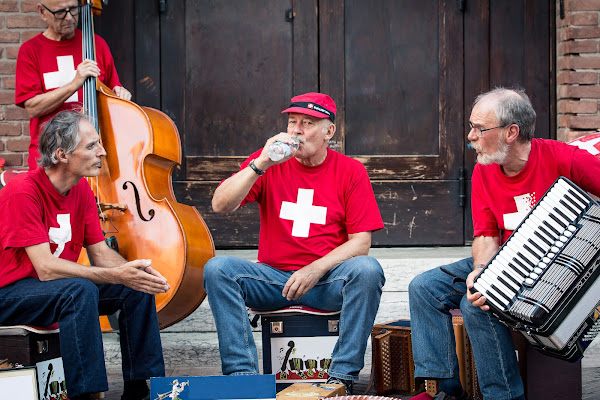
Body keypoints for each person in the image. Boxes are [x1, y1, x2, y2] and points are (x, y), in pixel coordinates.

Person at [408, 87, 600, 400]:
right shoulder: (484, 171)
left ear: (511, 132)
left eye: (479, 128)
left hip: (553, 272)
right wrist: (481, 270)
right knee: (424, 287)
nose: (470, 136)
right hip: (505, 262)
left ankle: (505, 396)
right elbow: (486, 234)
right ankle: (443, 388)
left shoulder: (563, 158)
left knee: (476, 307)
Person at [203, 92, 386, 392]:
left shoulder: (351, 171)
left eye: (308, 123)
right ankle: (243, 380)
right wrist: (260, 162)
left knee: (367, 270)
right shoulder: (267, 163)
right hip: (275, 281)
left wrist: (314, 270)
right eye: (292, 122)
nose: (297, 130)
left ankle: (341, 378)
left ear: (329, 131)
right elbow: (220, 205)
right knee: (218, 268)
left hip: (325, 282)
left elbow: (360, 244)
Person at [0, 111, 169, 400]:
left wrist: (131, 272)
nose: (102, 151)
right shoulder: (22, 192)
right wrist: (114, 274)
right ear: (62, 154)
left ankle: (139, 389)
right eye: (91, 146)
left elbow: (101, 254)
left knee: (134, 288)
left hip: (50, 289)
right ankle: (86, 394)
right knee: (78, 291)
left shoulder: (81, 192)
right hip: (10, 293)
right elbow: (45, 269)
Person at [15, 0, 132, 171]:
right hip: (52, 157)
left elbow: (113, 90)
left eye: (73, 9)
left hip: (94, 156)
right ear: (42, 12)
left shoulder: (97, 44)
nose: (69, 17)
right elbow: (33, 107)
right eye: (60, 12)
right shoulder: (30, 51)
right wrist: (75, 84)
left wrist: (120, 95)